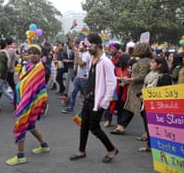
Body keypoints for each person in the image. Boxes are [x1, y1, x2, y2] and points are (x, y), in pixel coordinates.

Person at [69, 33, 118, 163]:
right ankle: (81, 151)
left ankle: (112, 149)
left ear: (97, 45)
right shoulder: (92, 59)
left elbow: (111, 84)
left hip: (98, 101)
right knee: (83, 125)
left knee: (94, 127)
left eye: (89, 46)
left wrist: (104, 101)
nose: (87, 49)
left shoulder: (106, 62)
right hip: (89, 98)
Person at [5, 44, 50, 166]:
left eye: (35, 53)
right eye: (30, 52)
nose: (33, 55)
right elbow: (21, 82)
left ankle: (20, 156)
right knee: (30, 125)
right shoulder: (27, 66)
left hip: (31, 100)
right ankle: (44, 145)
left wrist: (24, 102)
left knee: (22, 124)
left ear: (40, 55)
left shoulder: (39, 67)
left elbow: (35, 87)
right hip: (24, 99)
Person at [111, 43, 153, 135]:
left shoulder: (144, 61)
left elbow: (142, 76)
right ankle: (121, 126)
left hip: (139, 89)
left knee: (143, 112)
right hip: (134, 88)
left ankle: (148, 133)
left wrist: (129, 79)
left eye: (136, 48)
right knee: (130, 108)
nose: (134, 50)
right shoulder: (141, 60)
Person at [138, 56, 172, 152]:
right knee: (148, 126)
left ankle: (159, 146)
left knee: (156, 128)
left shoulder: (165, 77)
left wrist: (149, 97)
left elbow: (165, 93)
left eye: (153, 62)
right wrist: (141, 95)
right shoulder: (150, 75)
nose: (150, 64)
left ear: (159, 65)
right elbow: (145, 88)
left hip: (157, 106)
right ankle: (150, 145)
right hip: (146, 105)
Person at [62, 41, 91, 113]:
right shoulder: (82, 53)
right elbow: (76, 62)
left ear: (85, 47)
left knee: (87, 96)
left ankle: (89, 110)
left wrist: (77, 56)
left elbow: (81, 64)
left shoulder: (86, 55)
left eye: (80, 46)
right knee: (73, 93)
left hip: (84, 79)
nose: (79, 47)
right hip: (78, 78)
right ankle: (70, 108)